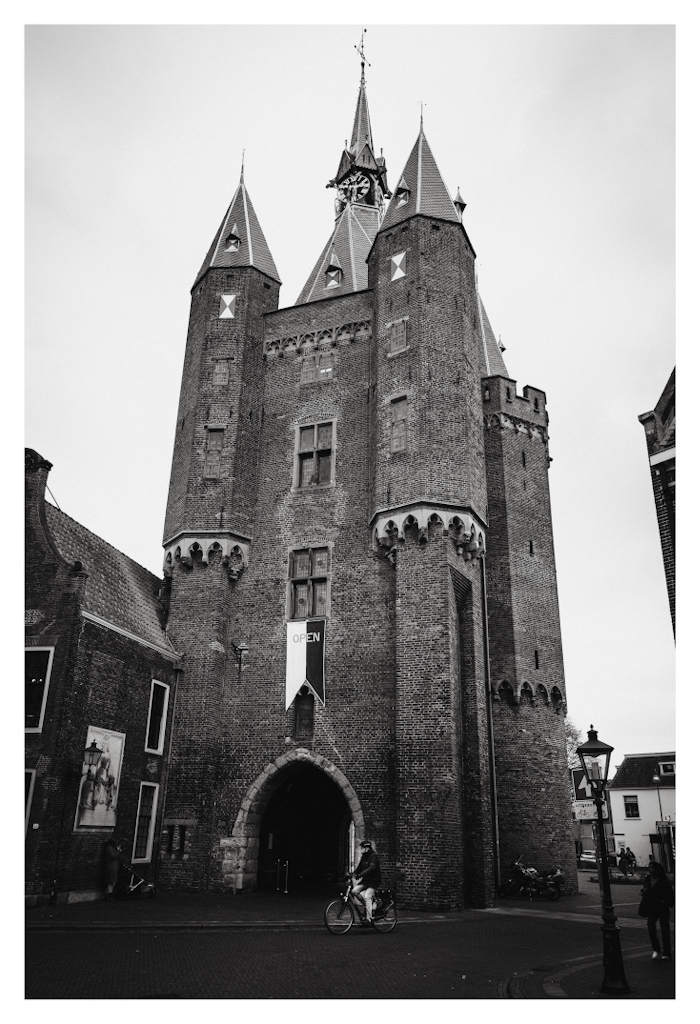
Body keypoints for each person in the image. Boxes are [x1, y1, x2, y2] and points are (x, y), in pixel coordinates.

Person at [641, 861, 674, 960]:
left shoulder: (663, 880)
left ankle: (666, 952)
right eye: (649, 868)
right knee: (650, 926)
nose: (650, 870)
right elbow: (646, 889)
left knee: (665, 929)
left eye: (652, 868)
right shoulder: (648, 879)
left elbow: (669, 893)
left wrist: (666, 901)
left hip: (662, 906)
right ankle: (656, 949)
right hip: (652, 906)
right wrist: (644, 892)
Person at [352, 839, 381, 924]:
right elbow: (359, 868)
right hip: (366, 881)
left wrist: (360, 875)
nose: (361, 849)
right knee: (354, 891)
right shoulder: (364, 857)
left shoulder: (373, 857)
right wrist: (353, 874)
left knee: (367, 896)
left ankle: (369, 918)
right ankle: (368, 906)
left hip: (374, 881)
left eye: (362, 848)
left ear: (367, 848)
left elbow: (371, 868)